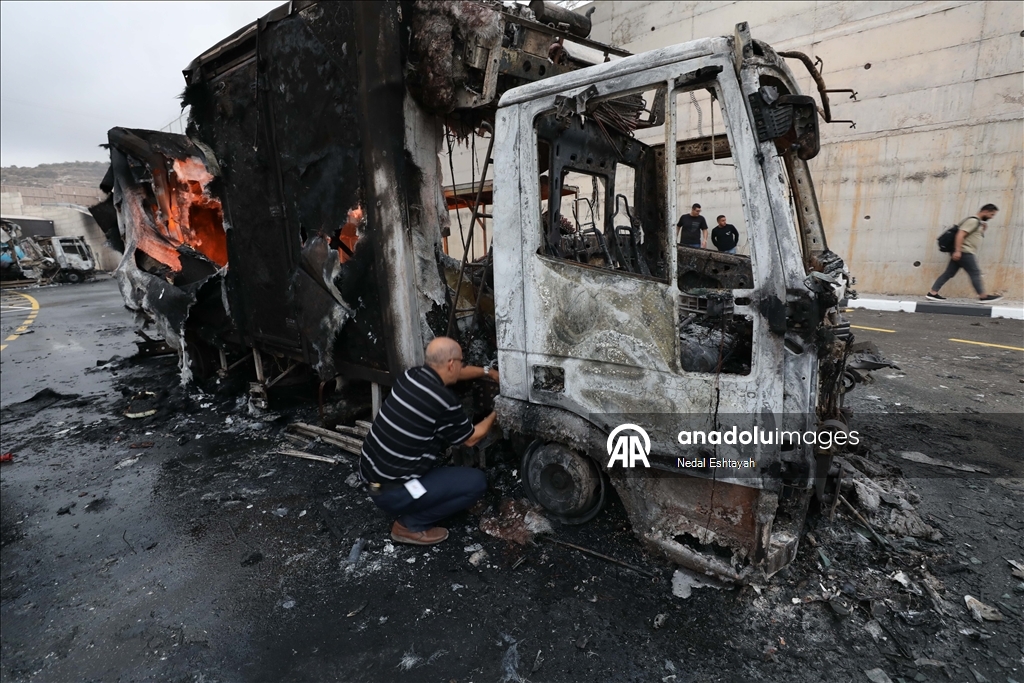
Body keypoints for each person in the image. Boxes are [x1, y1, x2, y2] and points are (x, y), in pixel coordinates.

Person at [359, 337, 499, 546]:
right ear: (451, 364)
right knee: (476, 483)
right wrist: (499, 410)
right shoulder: (443, 400)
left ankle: (409, 501)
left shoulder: (411, 375)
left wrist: (489, 373)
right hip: (394, 491)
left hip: (371, 476)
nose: (462, 366)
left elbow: (458, 373)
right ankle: (409, 525)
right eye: (461, 361)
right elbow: (472, 438)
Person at [927, 204, 1002, 303]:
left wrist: (982, 229)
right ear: (985, 211)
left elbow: (971, 236)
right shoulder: (973, 221)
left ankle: (932, 293)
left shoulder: (977, 223)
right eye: (991, 214)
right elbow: (960, 234)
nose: (991, 217)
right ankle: (983, 296)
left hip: (962, 251)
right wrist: (958, 251)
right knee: (975, 273)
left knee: (949, 273)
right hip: (964, 251)